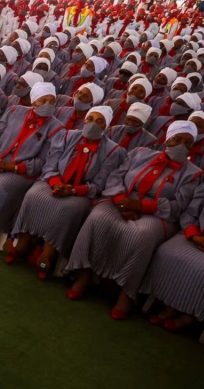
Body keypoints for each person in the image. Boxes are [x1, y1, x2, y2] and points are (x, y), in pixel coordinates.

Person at [66, 121, 202, 319]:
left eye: (188, 143)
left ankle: (126, 293)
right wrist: (123, 202)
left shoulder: (193, 174)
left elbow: (178, 207)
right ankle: (84, 275)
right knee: (98, 219)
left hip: (157, 213)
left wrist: (141, 206)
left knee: (142, 236)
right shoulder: (140, 153)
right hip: (122, 198)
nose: (182, 146)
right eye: (177, 139)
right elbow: (115, 178)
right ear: (167, 139)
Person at [8, 106, 125, 277]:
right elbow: (50, 165)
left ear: (106, 126)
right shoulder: (67, 136)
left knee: (67, 209)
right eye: (90, 119)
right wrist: (56, 183)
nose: (93, 124)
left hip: (81, 192)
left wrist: (72, 190)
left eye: (100, 121)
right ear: (84, 119)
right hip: (54, 181)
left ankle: (49, 253)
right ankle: (24, 241)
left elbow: (100, 184)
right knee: (34, 196)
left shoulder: (113, 151)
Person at [0, 82, 65, 248]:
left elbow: (44, 161)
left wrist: (14, 168)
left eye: (52, 102)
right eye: (42, 100)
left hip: (21, 171)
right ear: (33, 100)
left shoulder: (57, 128)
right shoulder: (15, 110)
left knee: (1, 187)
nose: (47, 105)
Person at [141, 182, 204, 333]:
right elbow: (190, 212)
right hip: (197, 234)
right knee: (166, 253)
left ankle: (191, 316)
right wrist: (194, 236)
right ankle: (173, 306)